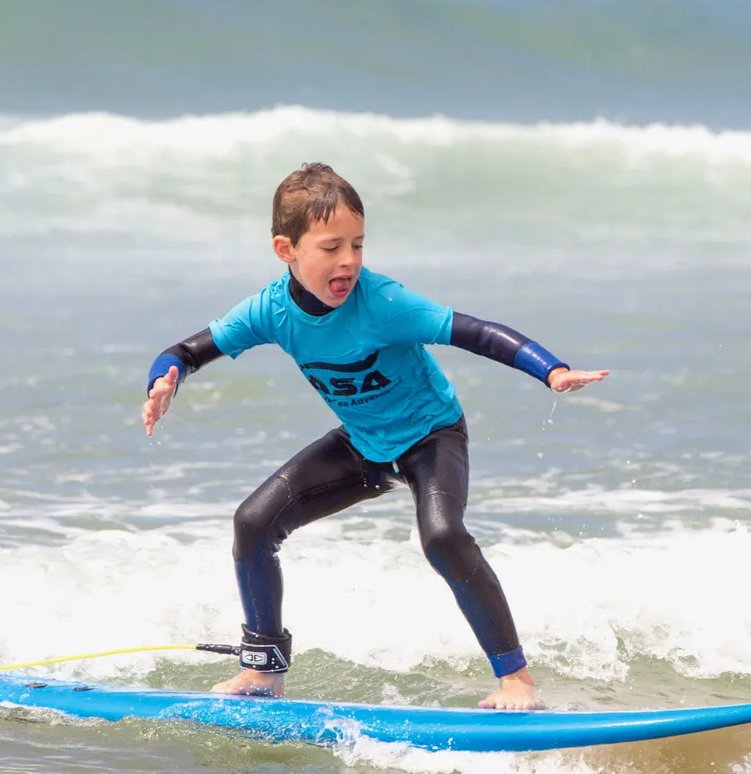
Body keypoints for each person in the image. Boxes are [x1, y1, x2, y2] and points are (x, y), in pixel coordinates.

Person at [140, 163, 607, 710]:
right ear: (286, 250)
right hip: (363, 443)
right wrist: (164, 381)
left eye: (358, 245)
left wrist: (550, 369)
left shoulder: (382, 303)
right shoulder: (270, 312)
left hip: (432, 437)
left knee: (442, 537)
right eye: (332, 246)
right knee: (253, 523)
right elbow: (187, 351)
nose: (349, 262)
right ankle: (264, 669)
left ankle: (516, 680)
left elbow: (476, 333)